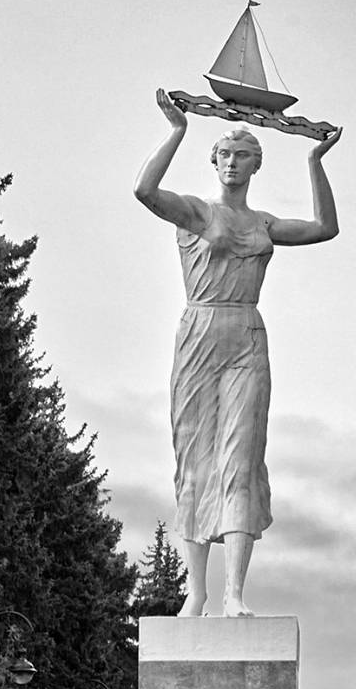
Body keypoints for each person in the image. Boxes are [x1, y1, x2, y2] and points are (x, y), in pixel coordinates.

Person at [134, 90, 341, 617]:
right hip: (200, 330)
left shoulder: (264, 224)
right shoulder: (196, 212)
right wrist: (177, 130)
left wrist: (315, 161)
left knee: (241, 458)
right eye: (224, 154)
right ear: (214, 160)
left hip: (246, 333)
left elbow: (325, 228)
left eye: (241, 156)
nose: (231, 163)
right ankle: (197, 591)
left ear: (255, 165)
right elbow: (144, 190)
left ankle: (234, 593)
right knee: (195, 457)